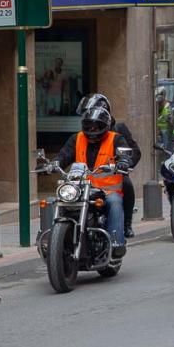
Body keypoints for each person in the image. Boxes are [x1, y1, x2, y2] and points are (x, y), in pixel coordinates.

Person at [57, 107, 130, 257]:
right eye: (89, 125)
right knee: (56, 201)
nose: (92, 129)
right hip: (80, 188)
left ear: (106, 126)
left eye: (97, 126)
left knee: (115, 202)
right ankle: (52, 241)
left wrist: (123, 161)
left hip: (107, 191)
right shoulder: (76, 138)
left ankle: (116, 243)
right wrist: (54, 163)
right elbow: (64, 155)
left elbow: (126, 154)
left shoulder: (116, 139)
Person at [69, 93, 141, 237]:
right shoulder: (79, 136)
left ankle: (126, 224)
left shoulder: (118, 130)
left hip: (111, 177)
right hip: (85, 181)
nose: (90, 122)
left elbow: (134, 151)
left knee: (125, 184)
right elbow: (67, 153)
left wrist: (125, 164)